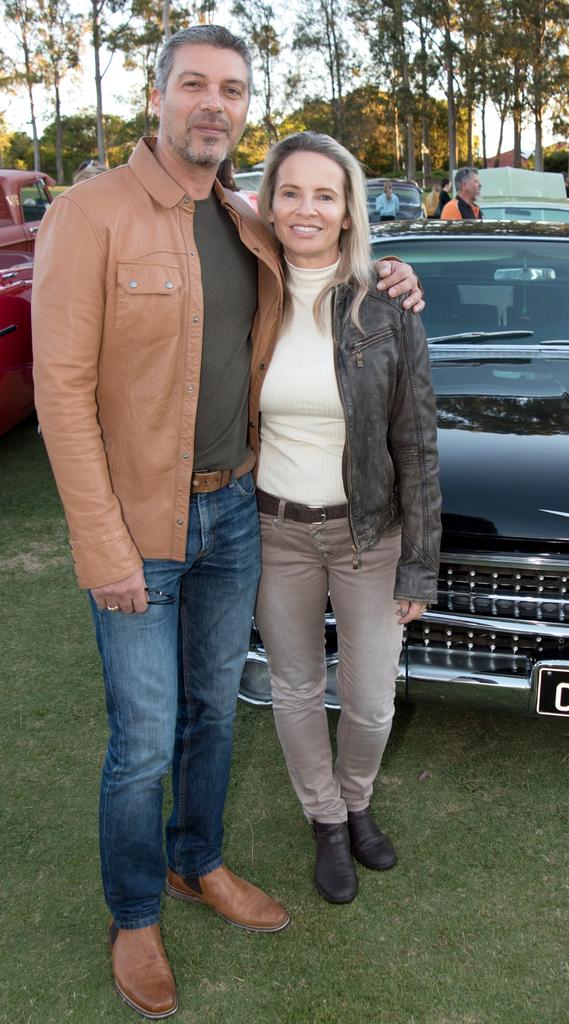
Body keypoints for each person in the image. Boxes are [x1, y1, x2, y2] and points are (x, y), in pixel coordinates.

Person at [32, 25, 423, 1021]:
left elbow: (317, 282)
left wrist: (396, 276)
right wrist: (102, 542)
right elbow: (62, 390)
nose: (215, 103)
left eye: (234, 90)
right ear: (156, 96)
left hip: (236, 513)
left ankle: (195, 861)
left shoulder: (244, 219)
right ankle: (133, 910)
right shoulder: (90, 213)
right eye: (195, 85)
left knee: (214, 712)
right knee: (144, 735)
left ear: (246, 109)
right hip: (138, 527)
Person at [254, 131, 441, 905]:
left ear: (347, 209)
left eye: (324, 194)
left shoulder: (388, 307)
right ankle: (326, 821)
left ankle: (357, 800)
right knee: (295, 689)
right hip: (275, 533)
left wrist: (419, 562)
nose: (306, 208)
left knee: (369, 698)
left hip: (369, 533)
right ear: (267, 204)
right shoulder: (246, 296)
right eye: (290, 192)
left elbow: (417, 442)